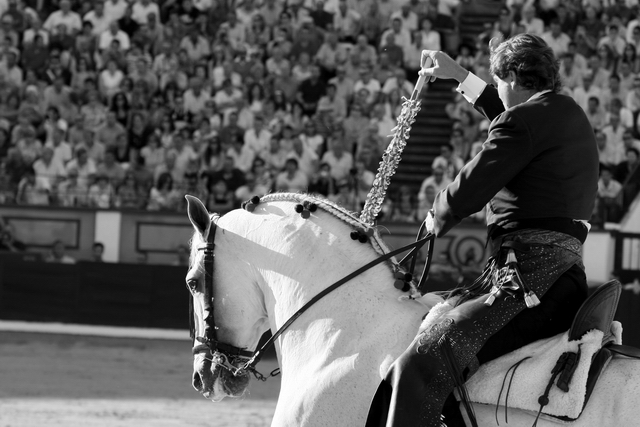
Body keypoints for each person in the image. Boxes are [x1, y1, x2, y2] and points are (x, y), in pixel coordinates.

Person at [367, 34, 599, 427]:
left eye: (498, 81)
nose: (498, 91)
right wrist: (459, 75)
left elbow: (470, 187)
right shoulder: (565, 112)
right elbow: (509, 115)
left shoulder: (523, 121)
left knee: (418, 365)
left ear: (510, 76)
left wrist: (435, 215)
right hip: (561, 281)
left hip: (526, 281)